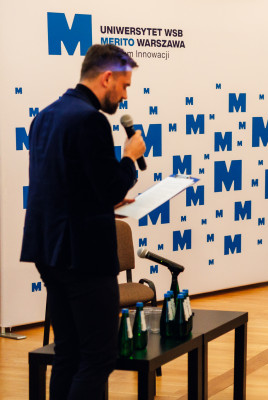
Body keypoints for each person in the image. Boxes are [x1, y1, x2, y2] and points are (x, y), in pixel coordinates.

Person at [20, 44, 146, 398]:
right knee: (98, 358)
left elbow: (63, 184)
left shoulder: (44, 116)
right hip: (84, 257)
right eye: (124, 86)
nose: (124, 96)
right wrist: (129, 158)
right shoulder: (91, 120)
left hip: (49, 251)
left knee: (68, 352)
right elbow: (112, 185)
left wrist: (103, 200)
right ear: (107, 78)